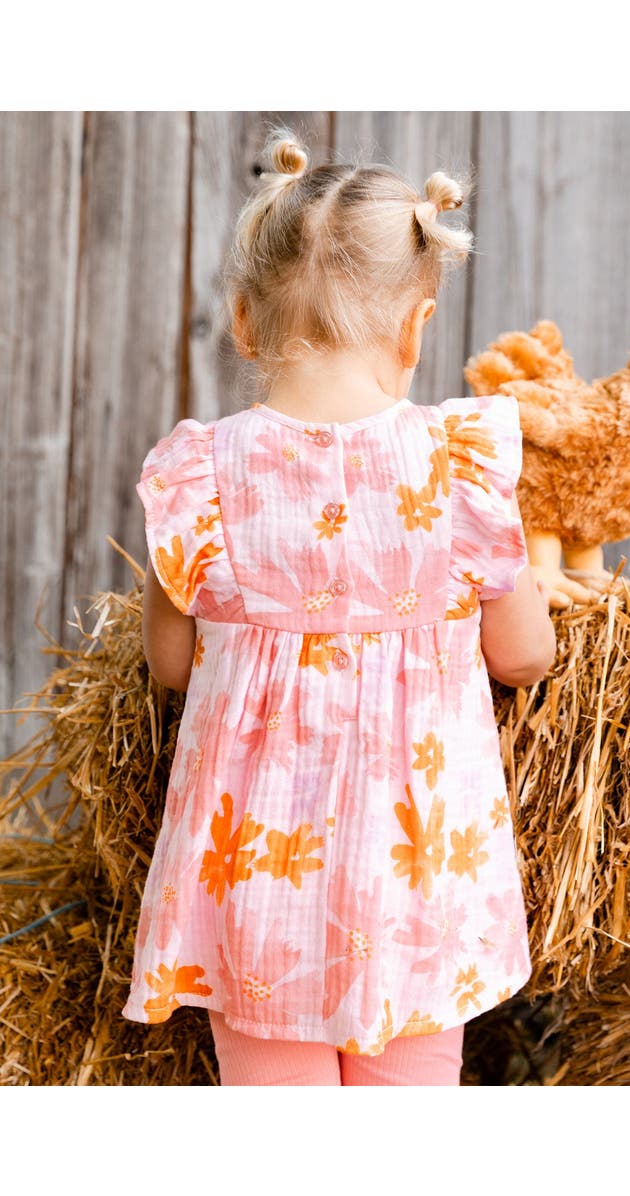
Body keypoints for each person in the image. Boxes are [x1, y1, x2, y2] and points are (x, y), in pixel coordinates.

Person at [121, 129, 557, 1086]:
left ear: (242, 320)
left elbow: (169, 665)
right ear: (416, 328)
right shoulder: (464, 469)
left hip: (254, 892)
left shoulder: (198, 473)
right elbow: (524, 656)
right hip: (415, 879)